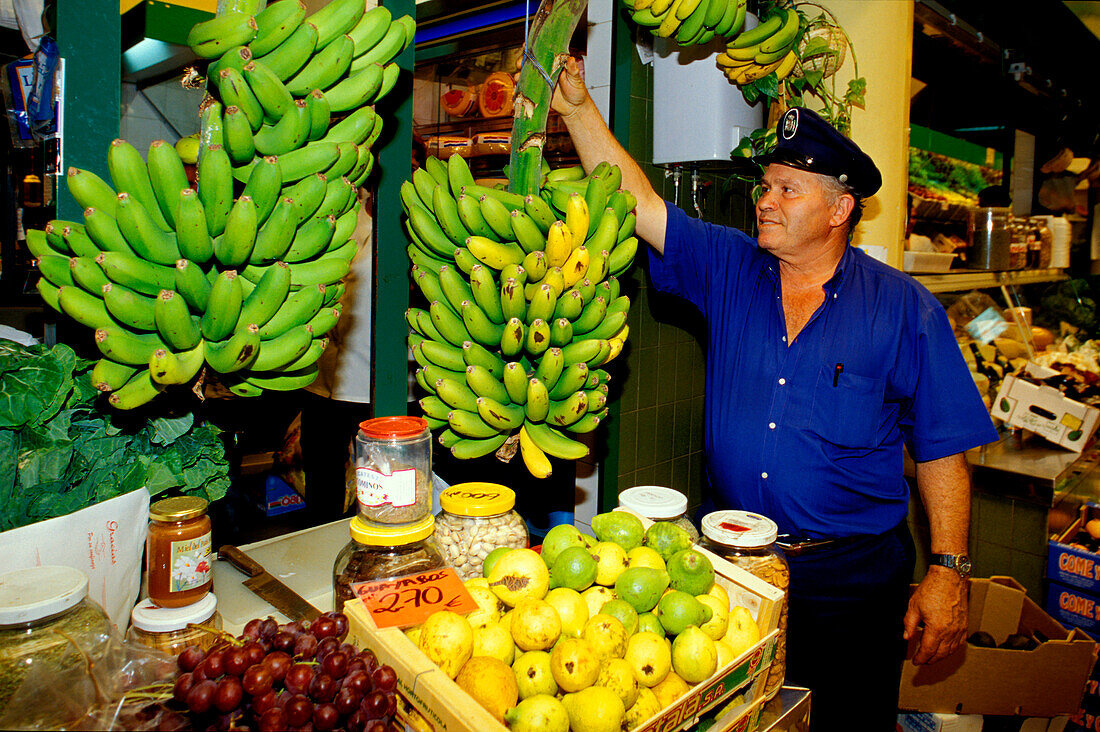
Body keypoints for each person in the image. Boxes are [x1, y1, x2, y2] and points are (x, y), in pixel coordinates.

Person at [551, 57, 998, 730]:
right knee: (741, 719)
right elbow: (639, 205)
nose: (765, 200)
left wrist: (950, 570)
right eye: (767, 185)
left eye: (788, 189)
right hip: (734, 562)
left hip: (852, 581)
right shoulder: (731, 266)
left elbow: (943, 447)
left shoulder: (904, 310)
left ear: (840, 210)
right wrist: (579, 109)